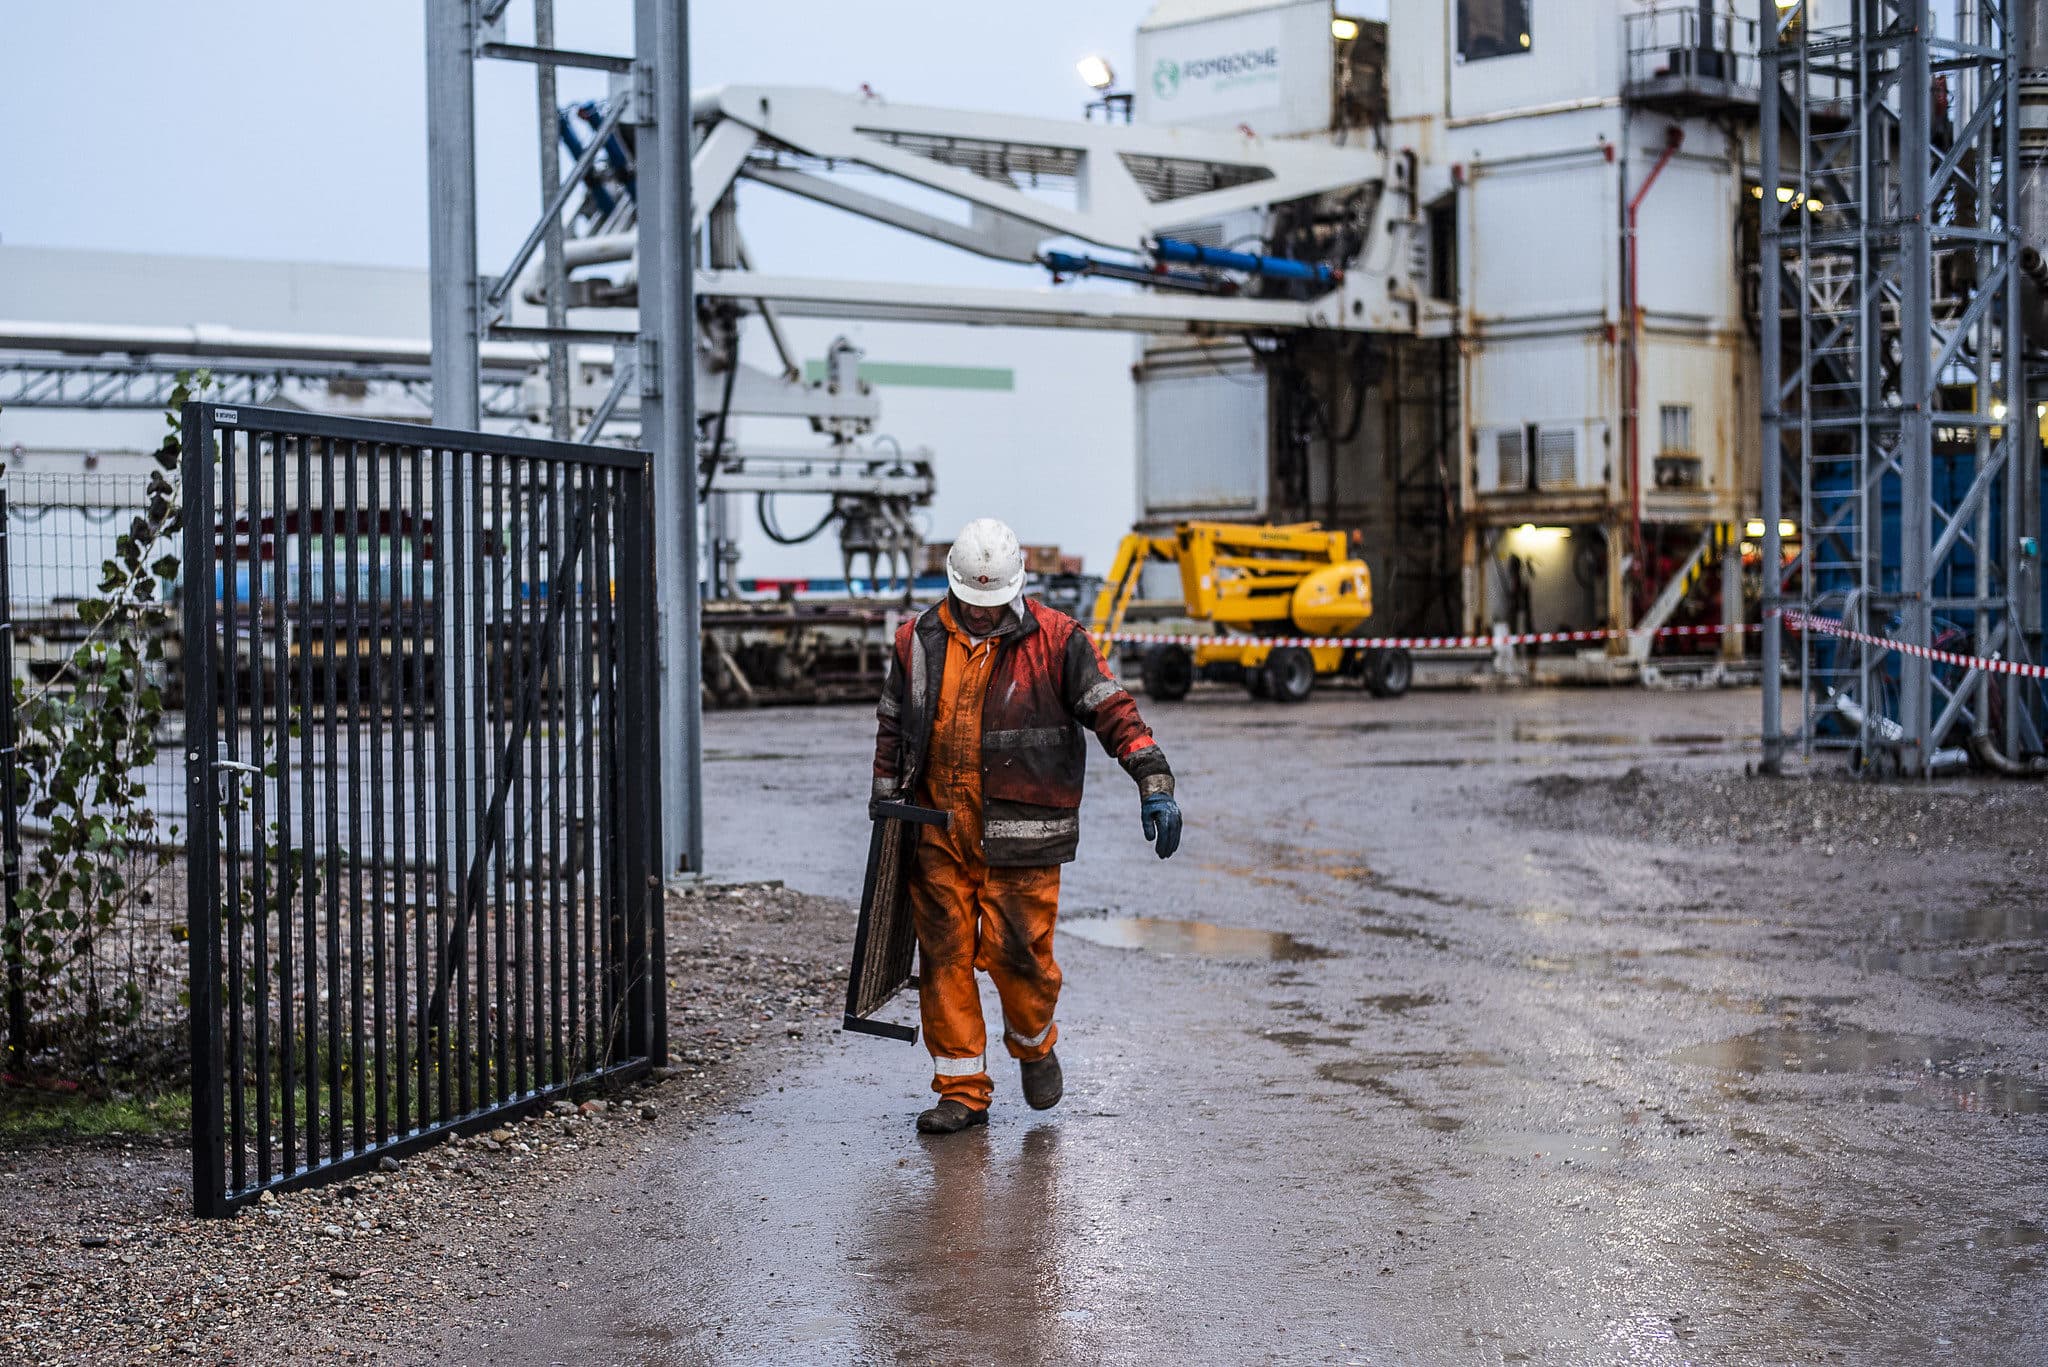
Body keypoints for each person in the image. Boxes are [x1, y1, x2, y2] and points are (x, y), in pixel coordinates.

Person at [870, 517, 1182, 1134]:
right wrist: (886, 813)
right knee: (944, 959)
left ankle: (1035, 1046)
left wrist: (1154, 780)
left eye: (993, 604)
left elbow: (1113, 710)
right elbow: (891, 728)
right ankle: (961, 1088)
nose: (982, 615)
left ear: (1015, 587)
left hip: (1023, 835)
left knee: (1020, 959)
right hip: (936, 830)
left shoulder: (1059, 640)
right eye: (971, 603)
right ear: (955, 587)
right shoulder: (918, 640)